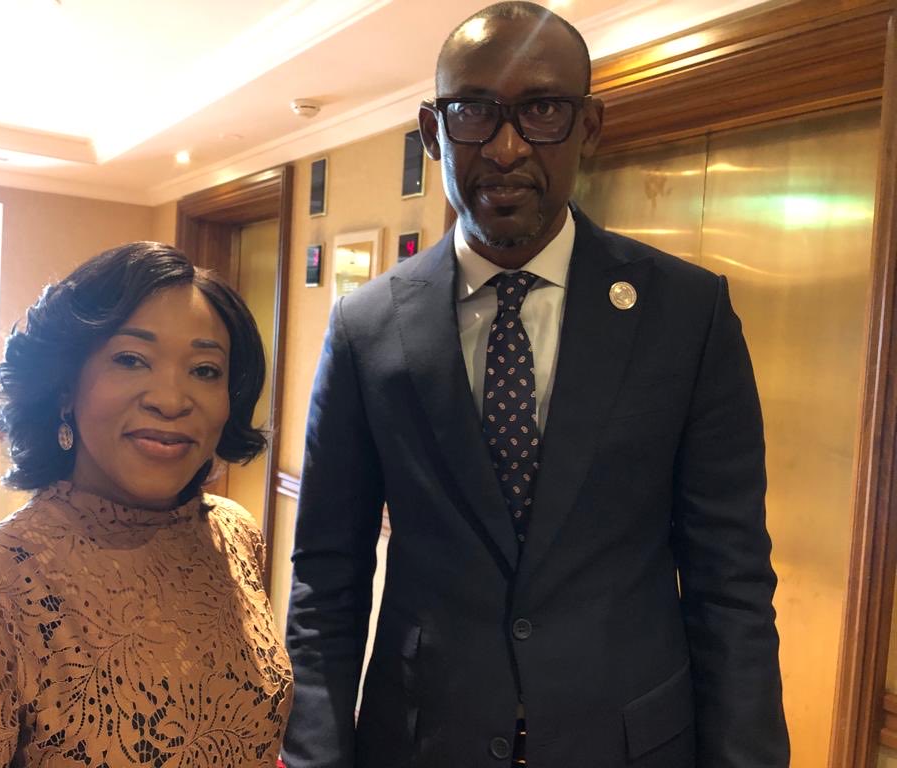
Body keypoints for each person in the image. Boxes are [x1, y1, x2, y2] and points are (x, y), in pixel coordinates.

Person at [283, 3, 788, 767]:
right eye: (474, 112)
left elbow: (732, 585)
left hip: (629, 746)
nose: (507, 147)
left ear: (590, 127)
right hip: (420, 744)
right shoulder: (367, 326)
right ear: (432, 132)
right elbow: (327, 579)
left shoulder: (689, 316)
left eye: (544, 110)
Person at [0, 242, 293, 767]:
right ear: (66, 388)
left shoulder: (235, 536)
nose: (171, 399)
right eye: (131, 359)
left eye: (205, 370)